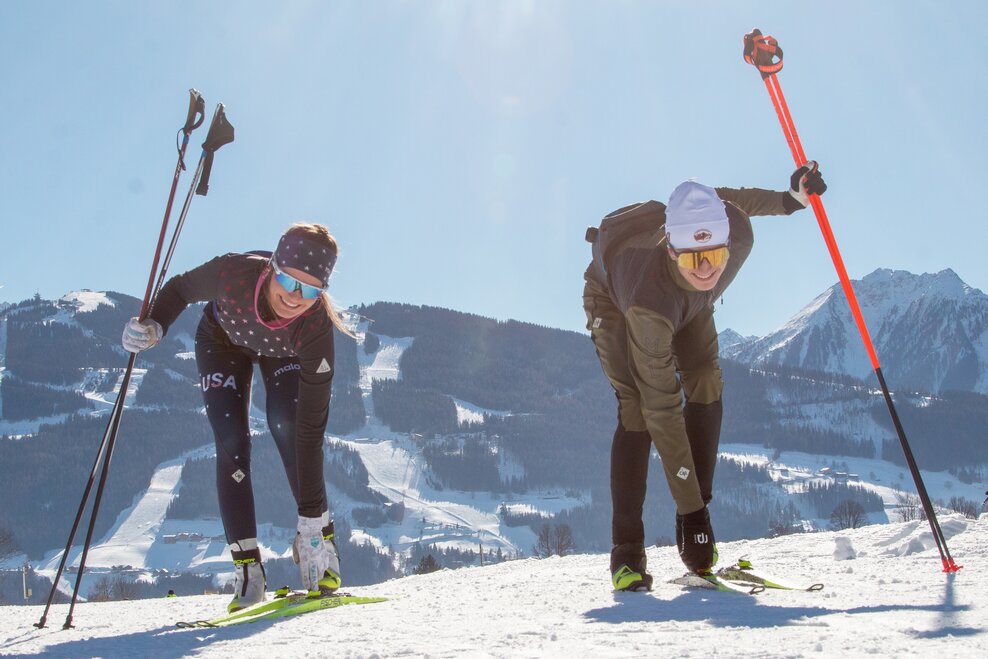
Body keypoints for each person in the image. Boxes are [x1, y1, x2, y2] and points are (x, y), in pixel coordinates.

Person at [583, 163, 827, 591]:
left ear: (727, 241)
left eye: (714, 255)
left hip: (688, 305)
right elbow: (664, 408)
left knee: (706, 380)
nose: (705, 269)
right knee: (639, 410)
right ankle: (627, 555)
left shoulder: (735, 233)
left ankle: (693, 514)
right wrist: (696, 517)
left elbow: (729, 198)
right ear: (670, 250)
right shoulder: (648, 306)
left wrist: (791, 201)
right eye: (693, 258)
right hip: (617, 303)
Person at [122, 223, 349, 612]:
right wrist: (155, 324)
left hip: (284, 354)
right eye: (290, 282)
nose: (296, 298)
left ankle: (320, 546)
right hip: (221, 340)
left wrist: (311, 520)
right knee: (231, 441)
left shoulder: (314, 328)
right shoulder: (233, 273)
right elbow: (178, 289)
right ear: (273, 267)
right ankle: (248, 571)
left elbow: (312, 433)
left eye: (312, 290)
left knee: (290, 428)